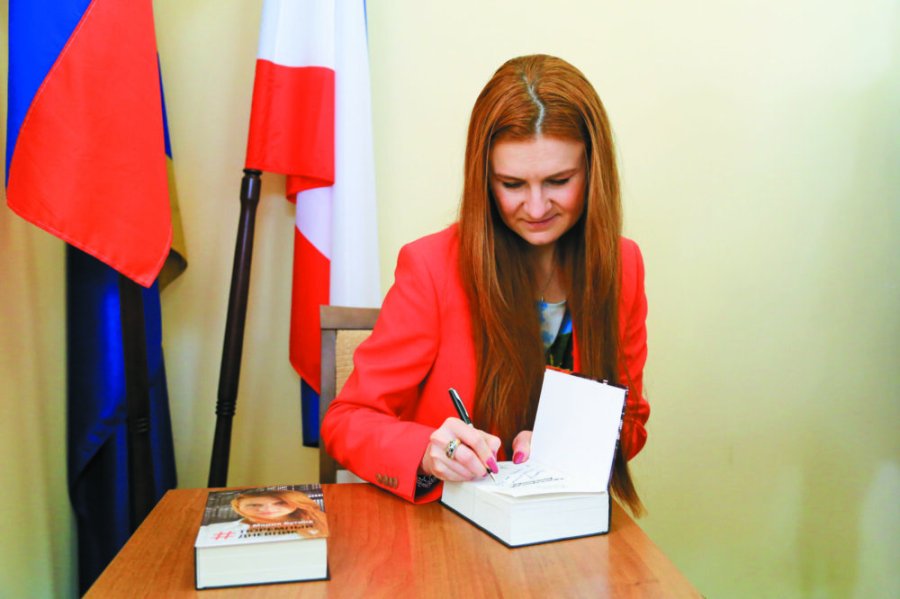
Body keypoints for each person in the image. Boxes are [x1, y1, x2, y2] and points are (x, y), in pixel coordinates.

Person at [322, 54, 649, 513]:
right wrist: (428, 453)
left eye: (558, 180)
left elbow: (630, 421)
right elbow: (347, 420)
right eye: (512, 184)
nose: (536, 207)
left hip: (563, 526)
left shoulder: (623, 264)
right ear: (485, 179)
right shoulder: (431, 267)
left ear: (593, 172)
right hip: (449, 530)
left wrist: (574, 442)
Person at [199, 489, 329, 541]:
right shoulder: (210, 531)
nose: (267, 509)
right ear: (238, 507)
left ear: (298, 503)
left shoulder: (322, 520)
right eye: (254, 505)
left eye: (280, 503)